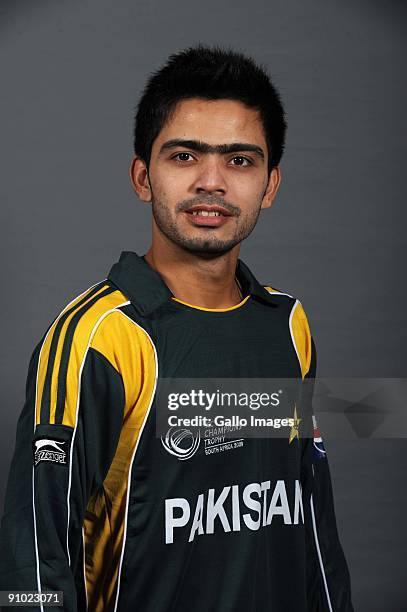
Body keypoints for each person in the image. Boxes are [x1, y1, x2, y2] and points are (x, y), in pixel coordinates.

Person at [0, 44, 354, 611]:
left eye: (239, 160)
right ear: (144, 176)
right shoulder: (97, 338)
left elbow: (312, 518)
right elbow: (33, 562)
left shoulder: (290, 325)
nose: (211, 182)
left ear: (270, 185)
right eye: (185, 156)